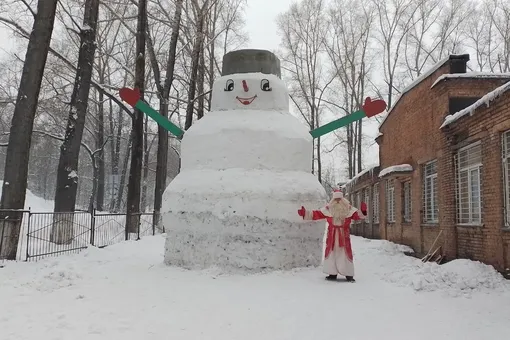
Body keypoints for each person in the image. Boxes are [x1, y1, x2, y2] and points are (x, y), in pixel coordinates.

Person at [297, 190, 367, 282]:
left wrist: (363, 211)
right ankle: (332, 273)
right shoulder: (328, 209)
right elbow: (317, 214)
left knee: (345, 254)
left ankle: (348, 275)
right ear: (333, 200)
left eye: (339, 199)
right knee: (331, 254)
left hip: (343, 236)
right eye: (336, 199)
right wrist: (305, 213)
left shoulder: (349, 209)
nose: (338, 201)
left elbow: (357, 215)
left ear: (343, 199)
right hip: (332, 236)